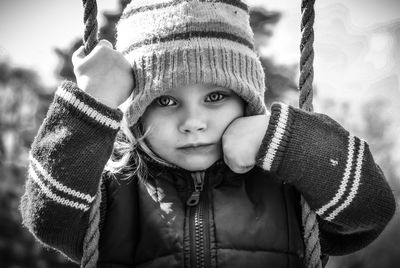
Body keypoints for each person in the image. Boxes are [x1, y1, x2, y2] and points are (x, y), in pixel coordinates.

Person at [19, 1, 396, 267]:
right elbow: (48, 217)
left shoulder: (288, 188)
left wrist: (284, 139)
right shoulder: (114, 193)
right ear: (135, 113)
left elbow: (370, 210)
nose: (193, 121)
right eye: (166, 100)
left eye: (216, 96)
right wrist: (92, 101)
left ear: (247, 102)